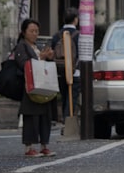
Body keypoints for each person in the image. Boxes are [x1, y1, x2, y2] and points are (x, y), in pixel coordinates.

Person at [13, 18, 56, 157]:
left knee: (45, 116)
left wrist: (48, 57)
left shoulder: (36, 47)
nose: (34, 34)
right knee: (31, 117)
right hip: (30, 87)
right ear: (24, 32)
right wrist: (40, 57)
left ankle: (44, 145)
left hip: (43, 85)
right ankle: (29, 147)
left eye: (36, 31)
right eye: (31, 31)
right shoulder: (21, 46)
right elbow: (23, 64)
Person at [50, 8, 80, 120]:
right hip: (75, 71)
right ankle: (68, 121)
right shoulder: (78, 35)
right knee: (72, 98)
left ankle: (64, 118)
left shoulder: (56, 35)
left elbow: (52, 52)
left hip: (60, 70)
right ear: (75, 20)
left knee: (64, 97)